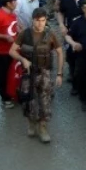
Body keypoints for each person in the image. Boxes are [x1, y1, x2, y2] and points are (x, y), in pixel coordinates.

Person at [10, 8, 63, 144]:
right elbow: (12, 51)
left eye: (43, 20)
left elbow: (59, 52)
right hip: (28, 73)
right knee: (28, 99)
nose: (40, 23)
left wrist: (59, 73)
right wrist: (23, 60)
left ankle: (43, 128)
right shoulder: (25, 34)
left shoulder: (49, 34)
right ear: (32, 20)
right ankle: (31, 124)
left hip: (44, 71)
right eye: (37, 20)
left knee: (45, 100)